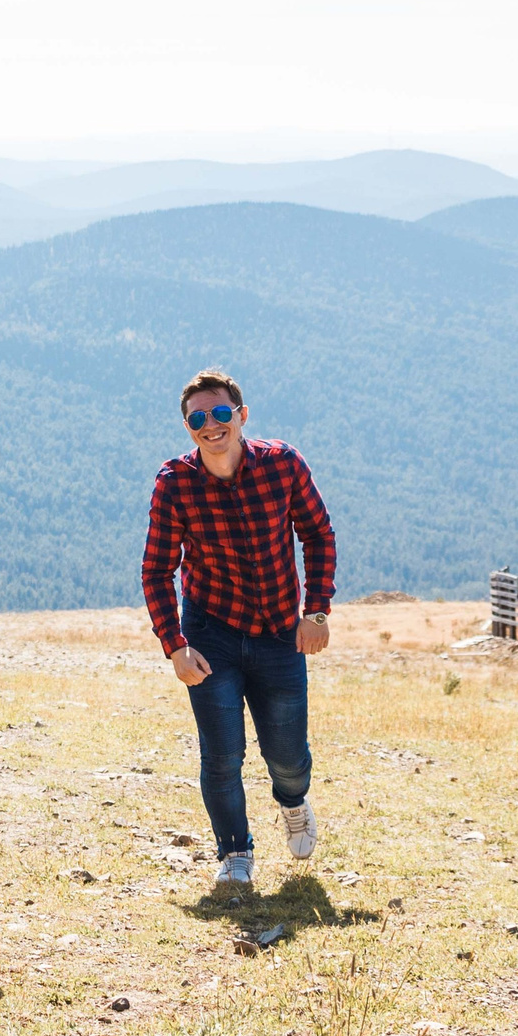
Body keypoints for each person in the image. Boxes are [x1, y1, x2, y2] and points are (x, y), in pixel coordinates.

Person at [139, 367, 335, 888]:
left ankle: (293, 802)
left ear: (242, 416)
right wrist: (175, 647)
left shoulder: (283, 465)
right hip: (211, 634)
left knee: (287, 758)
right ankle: (235, 852)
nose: (211, 424)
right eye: (198, 418)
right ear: (187, 427)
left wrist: (316, 612)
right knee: (222, 755)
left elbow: (318, 534)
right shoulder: (174, 483)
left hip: (279, 633)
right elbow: (156, 571)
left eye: (221, 412)